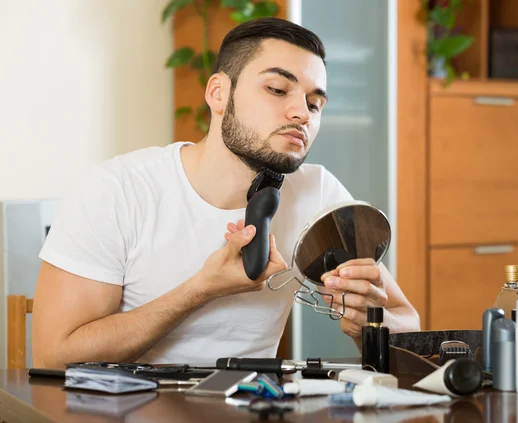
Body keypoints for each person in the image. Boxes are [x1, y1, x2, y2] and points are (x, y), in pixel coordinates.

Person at [32, 17, 420, 368]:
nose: (302, 113)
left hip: (255, 406)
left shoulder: (316, 192)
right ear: (218, 93)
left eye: (314, 103)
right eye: (277, 88)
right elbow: (54, 355)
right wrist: (199, 291)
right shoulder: (117, 190)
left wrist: (368, 322)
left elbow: (407, 324)